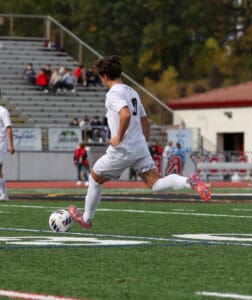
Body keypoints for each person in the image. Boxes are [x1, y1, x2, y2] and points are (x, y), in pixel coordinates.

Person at [68, 55, 211, 230]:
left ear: (104, 77)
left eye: (101, 78)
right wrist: (143, 142)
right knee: (156, 184)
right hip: (139, 147)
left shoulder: (113, 93)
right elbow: (144, 119)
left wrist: (119, 137)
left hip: (123, 149)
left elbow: (125, 114)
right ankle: (189, 181)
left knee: (94, 178)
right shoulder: (131, 91)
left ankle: (87, 219)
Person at [0, 100, 15, 200]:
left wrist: (11, 145)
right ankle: (3, 193)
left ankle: (4, 193)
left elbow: (8, 128)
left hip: (0, 144)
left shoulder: (3, 111)